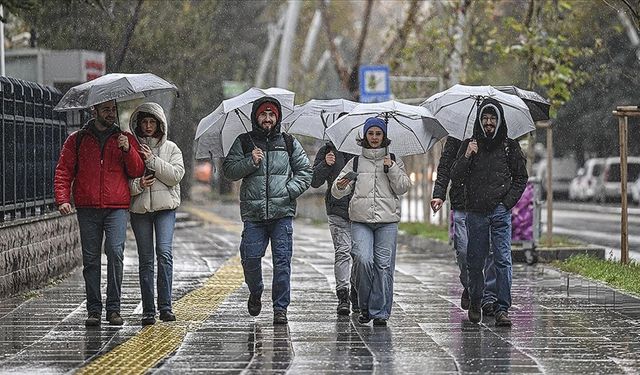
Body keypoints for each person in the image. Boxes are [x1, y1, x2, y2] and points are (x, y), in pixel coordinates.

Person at [54, 99, 145, 326]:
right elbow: (64, 170)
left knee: (115, 254)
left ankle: (114, 309)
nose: (110, 114)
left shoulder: (124, 138)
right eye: (105, 110)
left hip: (116, 207)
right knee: (91, 260)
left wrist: (127, 150)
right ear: (94, 111)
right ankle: (94, 309)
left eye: (113, 109)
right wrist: (63, 199)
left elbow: (137, 170)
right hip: (88, 207)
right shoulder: (77, 140)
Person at [222, 97, 312, 325]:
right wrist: (250, 162)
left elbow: (305, 171)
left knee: (282, 262)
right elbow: (229, 170)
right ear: (256, 117)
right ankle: (256, 290)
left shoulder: (289, 142)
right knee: (250, 259)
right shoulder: (244, 142)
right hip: (254, 215)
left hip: (282, 214)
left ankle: (280, 308)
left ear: (278, 117)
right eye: (264, 114)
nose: (268, 118)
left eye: (272, 114)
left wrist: (289, 190)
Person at [450, 98, 528, 327]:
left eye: (493, 118)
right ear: (479, 120)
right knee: (475, 262)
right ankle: (476, 300)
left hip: (500, 213)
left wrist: (507, 204)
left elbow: (521, 178)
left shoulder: (509, 146)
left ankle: (502, 308)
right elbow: (456, 177)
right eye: (485, 118)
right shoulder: (469, 145)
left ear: (500, 120)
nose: (489, 122)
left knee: (503, 260)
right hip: (475, 213)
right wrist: (467, 156)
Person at [332, 117, 411, 326]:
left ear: (384, 136)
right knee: (363, 260)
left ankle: (380, 312)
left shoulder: (394, 159)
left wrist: (392, 168)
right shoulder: (355, 162)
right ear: (364, 136)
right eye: (371, 133)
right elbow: (337, 192)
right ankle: (364, 306)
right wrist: (341, 185)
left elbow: (403, 187)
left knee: (384, 267)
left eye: (378, 134)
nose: (374, 138)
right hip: (360, 221)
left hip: (387, 221)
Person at [128, 102, 185, 326]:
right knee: (146, 260)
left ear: (160, 124)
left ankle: (166, 306)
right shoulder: (131, 148)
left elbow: (175, 176)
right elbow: (126, 183)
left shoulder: (171, 148)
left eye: (153, 122)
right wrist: (139, 184)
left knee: (164, 253)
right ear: (139, 124)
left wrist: (152, 160)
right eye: (145, 122)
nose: (149, 126)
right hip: (140, 209)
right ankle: (148, 310)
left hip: (165, 209)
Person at [431, 137, 498, 316]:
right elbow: (445, 169)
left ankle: (488, 296)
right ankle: (470, 286)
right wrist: (439, 194)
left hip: (486, 205)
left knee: (489, 251)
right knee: (464, 252)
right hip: (462, 205)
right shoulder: (455, 139)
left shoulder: (494, 137)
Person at [311, 114, 358, 316]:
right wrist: (325, 164)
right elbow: (314, 181)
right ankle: (343, 295)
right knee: (343, 251)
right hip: (337, 211)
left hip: (361, 212)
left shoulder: (363, 150)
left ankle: (357, 292)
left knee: (361, 256)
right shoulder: (328, 150)